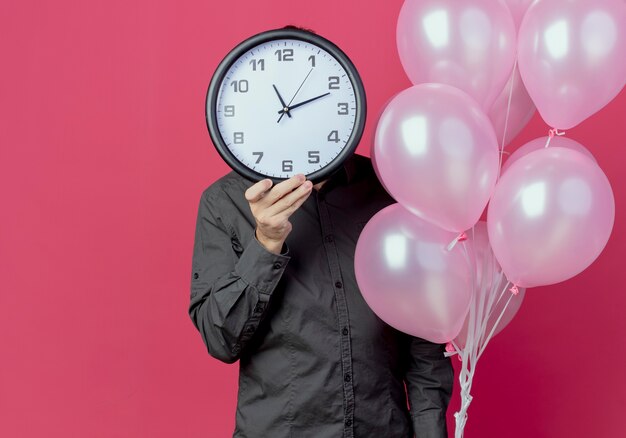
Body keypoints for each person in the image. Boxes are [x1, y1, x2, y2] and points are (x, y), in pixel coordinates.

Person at [188, 151, 454, 438]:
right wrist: (265, 243)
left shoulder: (389, 188)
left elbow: (423, 337)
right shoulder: (224, 202)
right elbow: (221, 341)